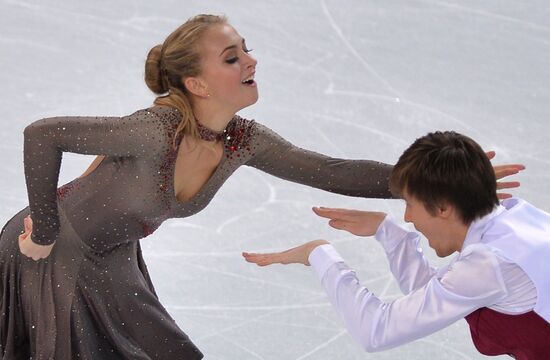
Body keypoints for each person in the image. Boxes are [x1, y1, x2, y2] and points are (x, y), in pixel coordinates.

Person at [0, 13, 523, 359]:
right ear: (197, 84)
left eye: (246, 50)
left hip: (110, 255)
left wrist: (436, 178)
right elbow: (43, 135)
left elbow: (333, 170)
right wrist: (43, 229)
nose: (251, 61)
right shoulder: (155, 130)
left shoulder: (242, 141)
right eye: (232, 58)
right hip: (52, 256)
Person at [244, 131, 549, 359]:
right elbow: (436, 295)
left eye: (410, 203)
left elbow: (376, 330)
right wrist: (387, 231)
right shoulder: (519, 218)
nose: (408, 216)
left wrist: (318, 254)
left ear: (443, 207)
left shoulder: (489, 264)